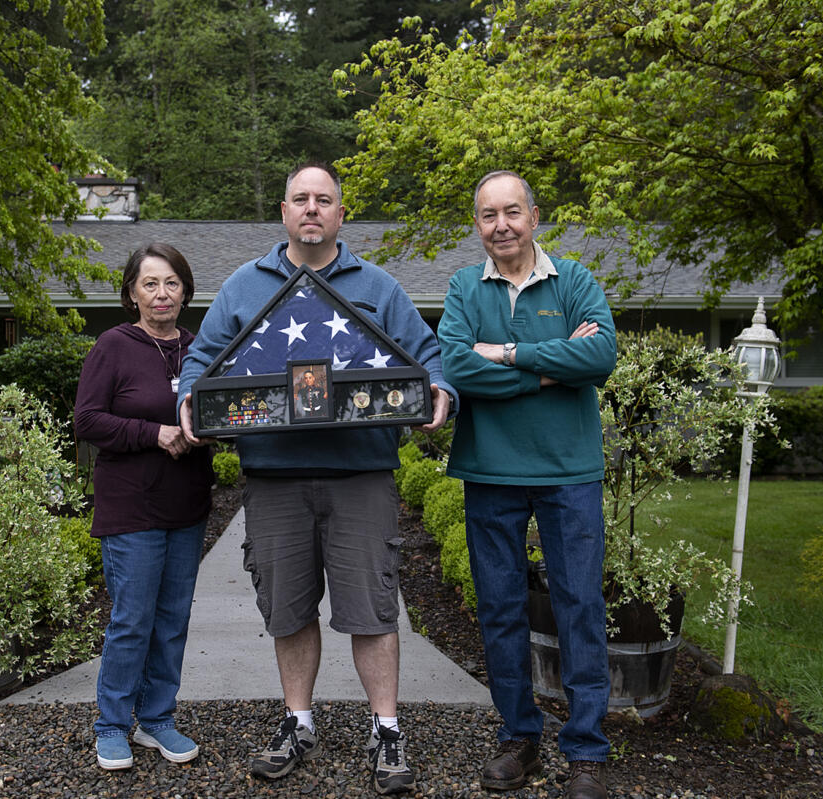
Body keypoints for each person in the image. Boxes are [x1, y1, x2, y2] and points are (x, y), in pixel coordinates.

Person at [177, 162, 456, 795]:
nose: (311, 209)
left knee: (372, 609)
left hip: (361, 474)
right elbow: (201, 361)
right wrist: (189, 400)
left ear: (338, 214)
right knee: (288, 609)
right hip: (275, 479)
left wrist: (440, 391)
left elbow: (429, 360)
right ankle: (297, 722)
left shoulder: (379, 287)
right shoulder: (244, 288)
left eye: (323, 200)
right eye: (300, 199)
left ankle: (386, 730)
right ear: (283, 211)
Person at [436, 171, 617, 799]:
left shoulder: (575, 281)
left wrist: (508, 355)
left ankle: (587, 751)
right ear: (478, 224)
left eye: (512, 212)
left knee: (579, 606)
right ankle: (520, 735)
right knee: (501, 609)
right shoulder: (465, 285)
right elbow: (455, 363)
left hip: (569, 474)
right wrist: (549, 364)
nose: (501, 226)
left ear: (534, 216)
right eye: (489, 216)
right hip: (490, 470)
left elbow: (598, 358)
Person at [74, 242, 214, 772]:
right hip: (132, 508)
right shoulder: (113, 346)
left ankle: (157, 719)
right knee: (132, 620)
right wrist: (154, 432)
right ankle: (111, 725)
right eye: (151, 283)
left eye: (172, 283)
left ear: (185, 291)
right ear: (132, 292)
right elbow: (87, 421)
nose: (162, 294)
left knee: (173, 619)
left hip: (187, 505)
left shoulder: (199, 347)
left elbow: (218, 410)